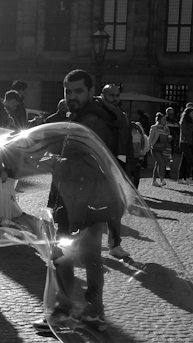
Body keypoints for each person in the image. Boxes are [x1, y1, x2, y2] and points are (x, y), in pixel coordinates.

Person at [46, 69, 120, 328]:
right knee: (84, 256)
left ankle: (71, 309)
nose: (72, 96)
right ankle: (88, 310)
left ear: (91, 91)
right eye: (68, 91)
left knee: (67, 254)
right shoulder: (83, 117)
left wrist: (55, 163)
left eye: (78, 91)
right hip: (80, 199)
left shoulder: (92, 121)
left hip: (84, 200)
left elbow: (91, 165)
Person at [98, 83, 131, 258]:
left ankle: (115, 244)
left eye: (117, 95)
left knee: (116, 209)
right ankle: (88, 245)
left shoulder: (122, 116)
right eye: (111, 95)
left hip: (117, 166)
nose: (115, 99)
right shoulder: (96, 115)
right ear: (103, 95)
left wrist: (129, 169)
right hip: (98, 169)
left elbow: (127, 144)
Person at [149, 112, 171, 186]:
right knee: (161, 163)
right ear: (159, 120)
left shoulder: (166, 128)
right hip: (155, 148)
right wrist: (148, 146)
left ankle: (154, 181)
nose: (165, 121)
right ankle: (162, 179)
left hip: (163, 148)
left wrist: (169, 138)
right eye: (164, 119)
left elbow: (167, 138)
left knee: (158, 163)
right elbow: (151, 137)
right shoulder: (154, 127)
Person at [177, 107, 193, 183]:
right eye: (192, 113)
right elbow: (185, 132)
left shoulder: (190, 121)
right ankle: (187, 176)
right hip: (184, 143)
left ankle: (181, 178)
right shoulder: (184, 122)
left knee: (184, 161)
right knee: (190, 160)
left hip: (188, 142)